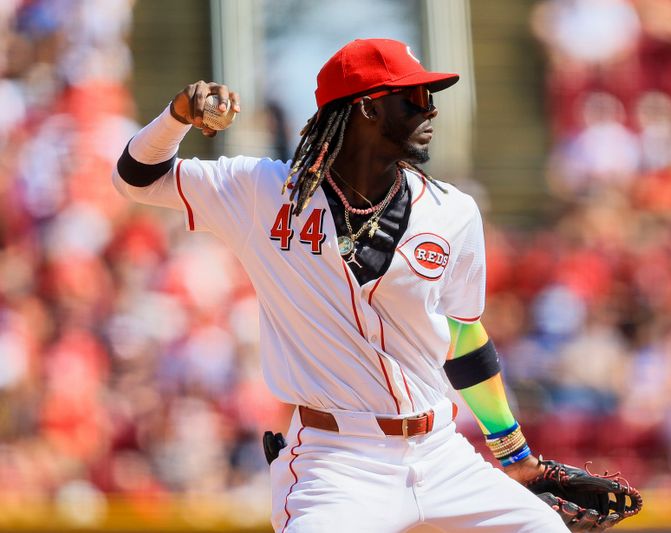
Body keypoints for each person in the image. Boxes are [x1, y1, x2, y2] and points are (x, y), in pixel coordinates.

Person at [112, 38, 569, 532]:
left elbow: (462, 335)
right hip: (337, 462)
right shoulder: (265, 192)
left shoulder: (453, 211)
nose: (431, 109)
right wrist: (178, 116)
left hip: (441, 452)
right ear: (367, 109)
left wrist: (514, 453)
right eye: (414, 98)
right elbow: (137, 178)